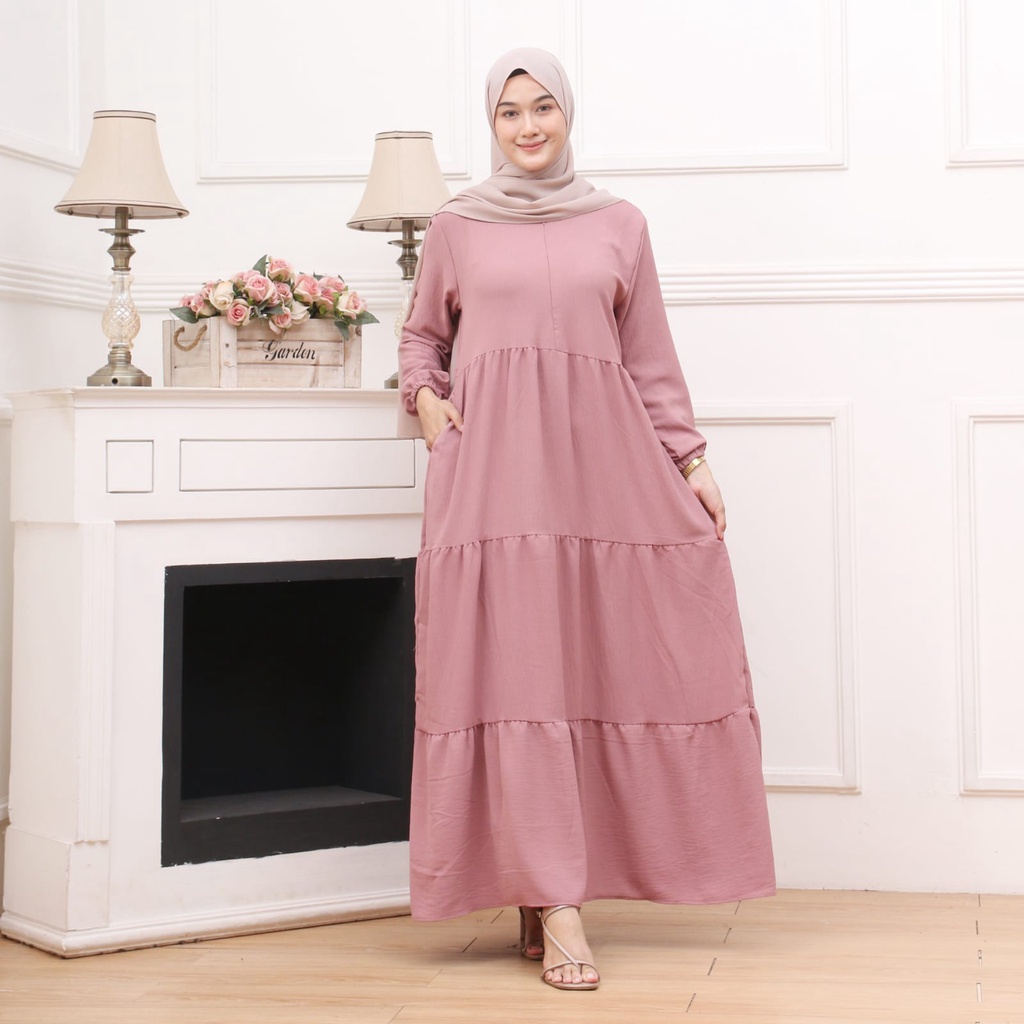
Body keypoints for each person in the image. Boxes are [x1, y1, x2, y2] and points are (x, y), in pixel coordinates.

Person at [399, 48, 775, 992]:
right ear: (490, 124)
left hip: (600, 475)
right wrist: (428, 402)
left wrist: (691, 461)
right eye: (509, 112)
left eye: (544, 108)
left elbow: (649, 357)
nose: (528, 127)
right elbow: (421, 337)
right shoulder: (456, 225)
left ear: (568, 114)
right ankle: (553, 898)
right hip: (493, 481)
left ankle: (552, 890)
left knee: (593, 662)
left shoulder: (619, 223)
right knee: (514, 674)